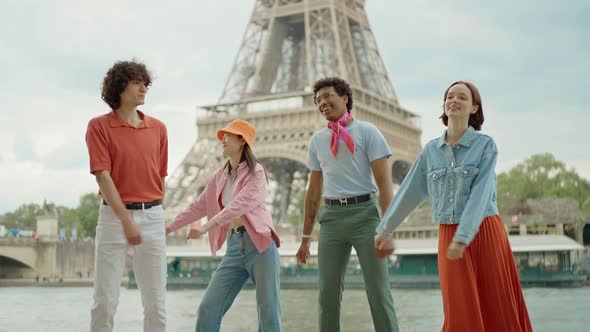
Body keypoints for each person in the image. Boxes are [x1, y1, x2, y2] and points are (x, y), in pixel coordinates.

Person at [375, 81, 532, 331]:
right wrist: (385, 229)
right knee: (458, 307)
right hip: (448, 232)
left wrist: (464, 236)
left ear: (474, 108)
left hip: (484, 232)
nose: (454, 100)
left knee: (497, 305)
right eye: (450, 96)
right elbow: (408, 193)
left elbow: (481, 195)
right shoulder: (430, 151)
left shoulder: (485, 146)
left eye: (462, 97)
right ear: (444, 106)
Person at [296, 77, 399, 331]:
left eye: (328, 95)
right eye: (318, 100)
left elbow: (385, 184)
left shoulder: (368, 132)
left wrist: (388, 229)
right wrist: (306, 236)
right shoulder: (317, 141)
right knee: (327, 295)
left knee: (378, 292)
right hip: (331, 219)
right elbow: (313, 192)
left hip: (365, 216)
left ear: (345, 97)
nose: (323, 102)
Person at [166, 119, 282, 332]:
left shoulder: (256, 172)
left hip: (260, 245)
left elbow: (240, 205)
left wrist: (205, 226)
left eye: (229, 135)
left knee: (268, 313)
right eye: (223, 135)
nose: (223, 139)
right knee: (208, 308)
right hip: (234, 247)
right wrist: (168, 228)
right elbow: (197, 206)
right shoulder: (218, 176)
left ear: (242, 141)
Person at [86, 60, 168, 331]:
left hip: (153, 216)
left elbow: (161, 176)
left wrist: (154, 212)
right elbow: (102, 176)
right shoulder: (98, 127)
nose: (143, 87)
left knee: (156, 303)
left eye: (145, 82)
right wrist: (126, 220)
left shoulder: (159, 129)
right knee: (105, 302)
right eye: (136, 82)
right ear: (119, 88)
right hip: (113, 218)